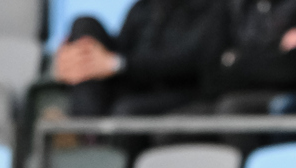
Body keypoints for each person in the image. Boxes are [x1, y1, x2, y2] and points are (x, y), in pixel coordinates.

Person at [52, 0, 226, 117]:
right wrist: (73, 61)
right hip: (135, 84)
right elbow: (122, 48)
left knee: (126, 110)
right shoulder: (142, 7)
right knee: (84, 24)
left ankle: (87, 133)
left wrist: (116, 64)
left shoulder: (209, 8)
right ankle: (85, 127)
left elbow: (190, 59)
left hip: (180, 91)